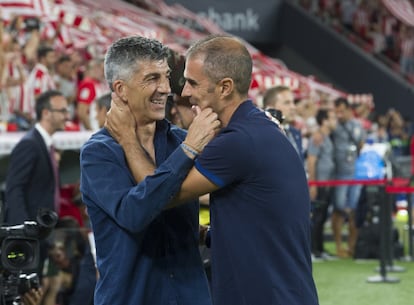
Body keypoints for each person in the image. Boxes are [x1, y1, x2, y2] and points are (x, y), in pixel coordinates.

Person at [106, 34, 319, 305]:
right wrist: (210, 234)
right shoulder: (255, 131)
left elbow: (159, 194)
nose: (184, 92)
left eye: (193, 83)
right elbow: (259, 217)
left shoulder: (239, 141)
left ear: (225, 87)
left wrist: (127, 138)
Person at [79, 36, 219, 305]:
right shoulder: (99, 153)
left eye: (166, 76)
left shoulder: (178, 140)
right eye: (152, 79)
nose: (165, 89)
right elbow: (135, 213)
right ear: (120, 89)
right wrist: (188, 151)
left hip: (192, 297)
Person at [4, 89, 70, 305]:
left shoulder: (44, 144)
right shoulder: (30, 144)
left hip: (38, 237)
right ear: (46, 113)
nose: (66, 116)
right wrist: (23, 235)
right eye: (61, 111)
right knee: (24, 295)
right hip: (27, 240)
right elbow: (15, 189)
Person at [331, 97, 366, 258]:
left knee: (353, 211)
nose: (339, 114)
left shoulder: (356, 125)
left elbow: (362, 145)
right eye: (337, 111)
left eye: (342, 111)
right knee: (338, 209)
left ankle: (351, 247)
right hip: (339, 173)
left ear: (348, 110)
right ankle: (338, 247)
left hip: (355, 173)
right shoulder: (334, 125)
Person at [307, 108, 337, 261]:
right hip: (319, 183)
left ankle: (320, 249)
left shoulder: (327, 136)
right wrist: (313, 184)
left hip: (327, 183)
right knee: (317, 218)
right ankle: (313, 250)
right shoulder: (317, 137)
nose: (335, 120)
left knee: (323, 217)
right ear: (324, 120)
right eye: (332, 117)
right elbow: (311, 160)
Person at [262, 85, 305, 162]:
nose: (293, 107)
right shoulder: (262, 134)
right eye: (287, 103)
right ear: (270, 108)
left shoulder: (296, 133)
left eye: (293, 102)